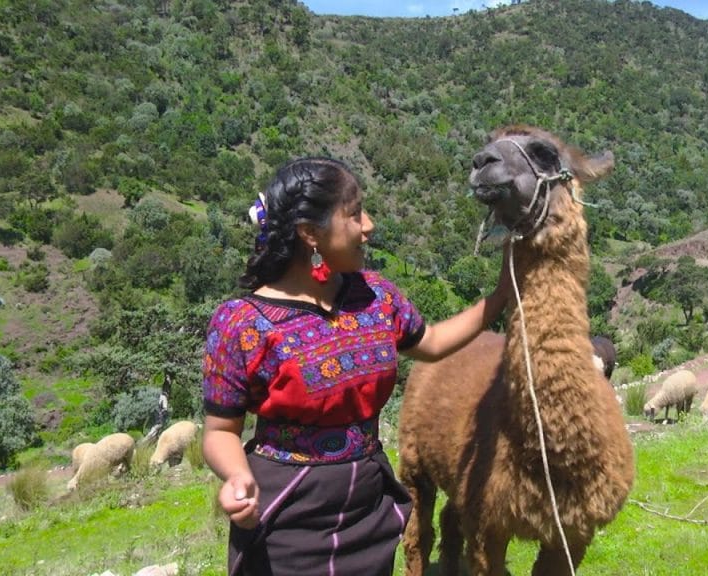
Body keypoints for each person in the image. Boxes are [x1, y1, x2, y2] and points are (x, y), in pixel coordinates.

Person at [202, 157, 511, 576]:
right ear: (311, 234)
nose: (369, 226)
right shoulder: (241, 323)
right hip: (289, 513)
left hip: (368, 504)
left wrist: (500, 296)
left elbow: (433, 343)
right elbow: (220, 432)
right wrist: (237, 476)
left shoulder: (375, 295)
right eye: (354, 214)